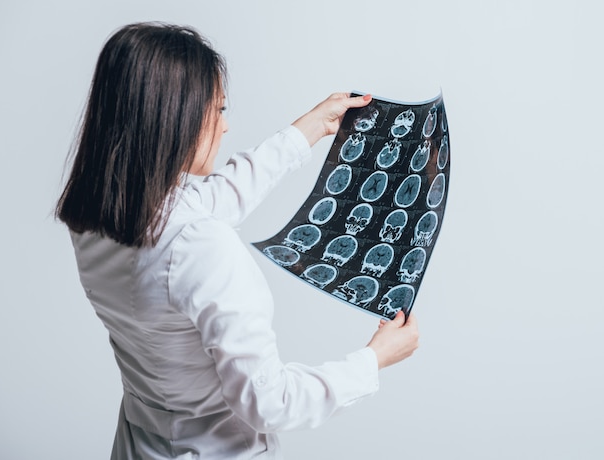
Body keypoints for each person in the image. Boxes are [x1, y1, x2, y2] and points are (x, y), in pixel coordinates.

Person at [56, 22, 419, 460]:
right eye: (220, 110)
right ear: (175, 117)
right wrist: (373, 360)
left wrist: (308, 129)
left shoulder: (97, 215)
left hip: (140, 443)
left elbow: (208, 203)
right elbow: (271, 402)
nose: (226, 128)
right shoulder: (200, 247)